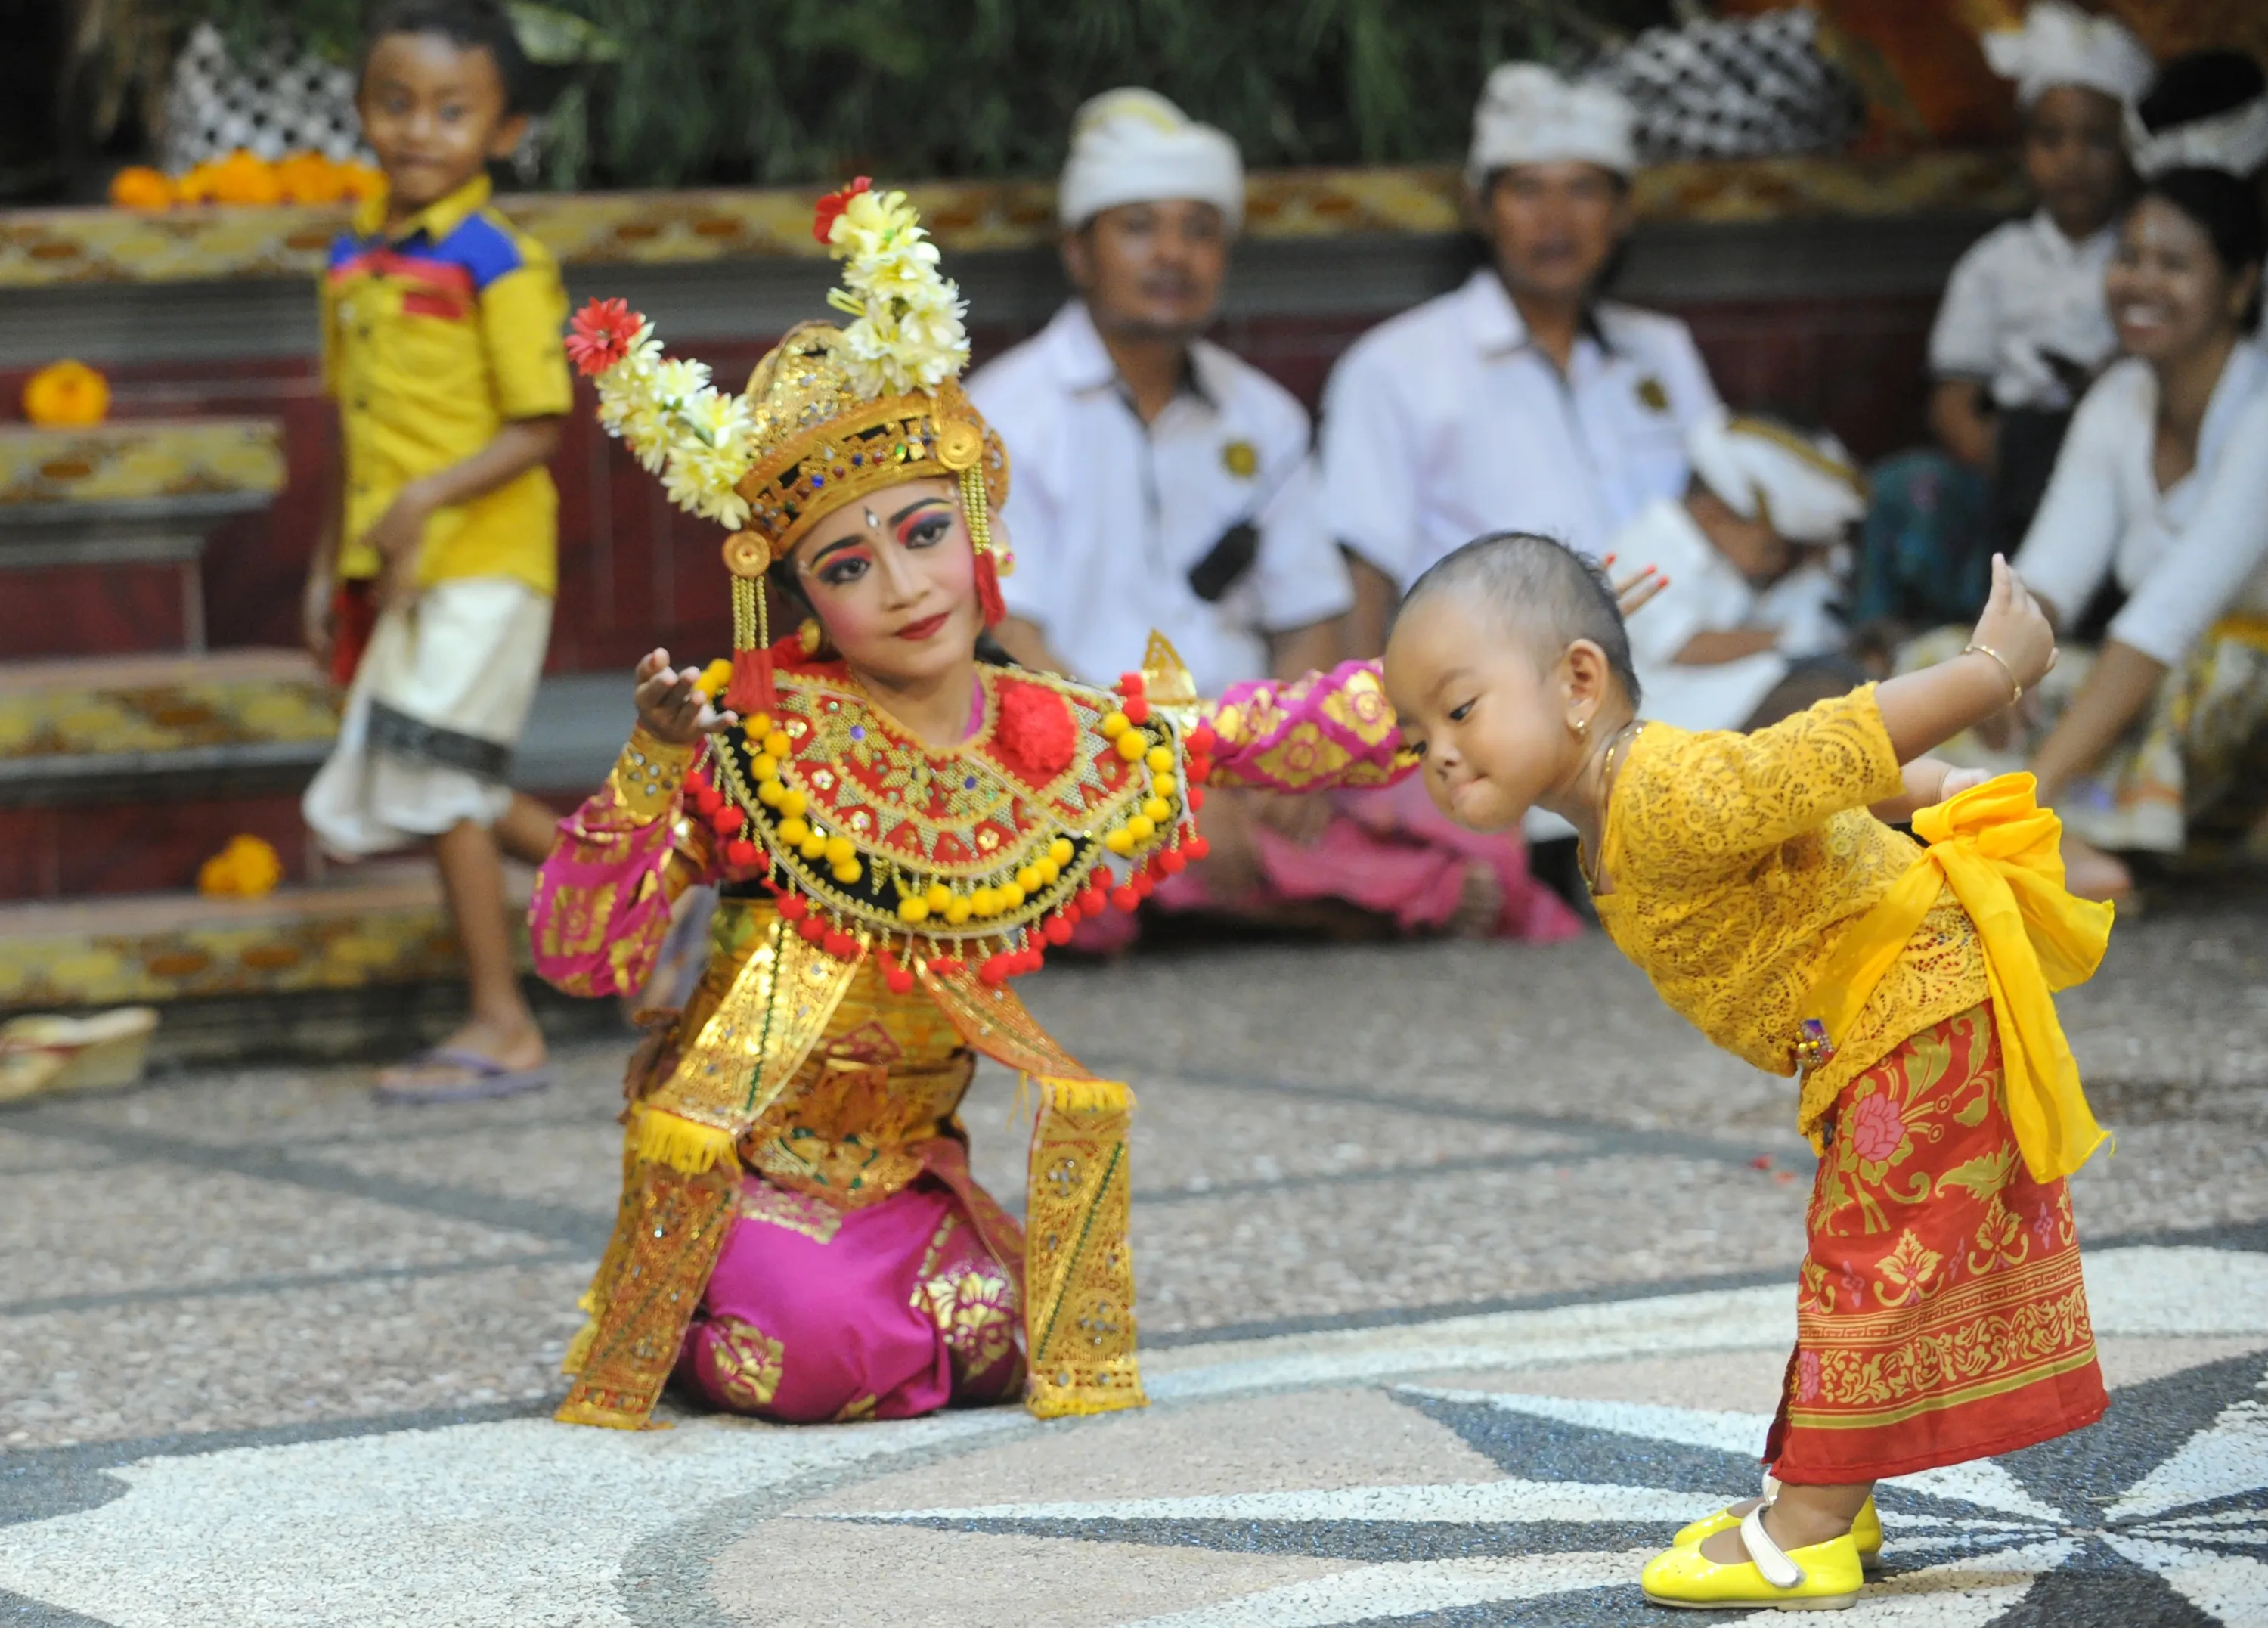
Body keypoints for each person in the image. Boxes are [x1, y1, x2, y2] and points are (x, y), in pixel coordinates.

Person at [531, 183, 1416, 1430]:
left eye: (923, 532)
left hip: (911, 1180)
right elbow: (582, 955)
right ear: (802, 600)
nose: (901, 585)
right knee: (838, 1348)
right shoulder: (756, 746)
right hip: (749, 1172)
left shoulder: (1045, 734)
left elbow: (1248, 732)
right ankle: (701, 1282)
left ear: (980, 527)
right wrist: (647, 767)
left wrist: (1467, 684)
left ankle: (848, 1297)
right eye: (847, 564)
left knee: (1017, 1325)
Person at [1383, 533, 2111, 1610]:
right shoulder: (1638, 795)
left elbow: (1814, 753)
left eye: (1459, 709)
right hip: (1883, 1028)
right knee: (1861, 1261)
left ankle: (1813, 1525)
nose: (1437, 751)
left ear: (1580, 683)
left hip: (1914, 1013)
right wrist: (1935, 778)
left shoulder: (1661, 792)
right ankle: (1833, 1486)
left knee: (1868, 1263)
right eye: (1417, 733)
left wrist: (1990, 672)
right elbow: (1787, 792)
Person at [971, 88, 1574, 943]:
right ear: (1079, 251)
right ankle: (1325, 902)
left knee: (1457, 782)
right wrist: (1161, 781)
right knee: (1043, 834)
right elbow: (1011, 645)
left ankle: (1260, 892)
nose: (1172, 254)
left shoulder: (1266, 418)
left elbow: (1311, 623)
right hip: (1084, 750)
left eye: (1200, 230)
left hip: (1245, 749)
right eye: (1139, 227)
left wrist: (1285, 767)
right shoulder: (1001, 416)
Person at [299, 0, 572, 1102]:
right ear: (363, 110)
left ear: (502, 134)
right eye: (396, 103)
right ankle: (656, 902)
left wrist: (420, 506)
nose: (420, 131)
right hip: (400, 564)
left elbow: (541, 421)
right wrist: (332, 560)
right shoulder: (352, 257)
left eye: (453, 112)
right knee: (437, 769)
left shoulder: (496, 257)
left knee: (441, 780)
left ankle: (504, 1024)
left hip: (488, 556)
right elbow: (349, 428)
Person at [1930, 166, 2264, 904]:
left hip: (2226, 693)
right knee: (1939, 662)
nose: (2140, 283)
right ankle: (2080, 843)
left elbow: (2167, 619)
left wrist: (2034, 791)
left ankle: (2020, 825)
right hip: (2147, 672)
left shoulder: (2262, 411)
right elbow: (2048, 576)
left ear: (2241, 287)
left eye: (2173, 265)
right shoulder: (2119, 399)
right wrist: (1997, 665)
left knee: (2222, 674)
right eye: (2130, 258)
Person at [1322, 63, 1722, 659]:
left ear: (1622, 212)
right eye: (1526, 190)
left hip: (1689, 665)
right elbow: (1363, 578)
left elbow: (1731, 515)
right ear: (1481, 209)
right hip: (1503, 698)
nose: (1555, 218)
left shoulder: (1662, 349)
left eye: (1583, 190)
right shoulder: (1393, 366)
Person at [1854, 1, 2150, 631]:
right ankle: (1896, 640)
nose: (2072, 160)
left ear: (2130, 150)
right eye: (2051, 139)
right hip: (2009, 458)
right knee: (1911, 485)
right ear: (2024, 150)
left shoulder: (2149, 256)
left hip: (2125, 454)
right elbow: (1953, 401)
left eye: (2097, 140)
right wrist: (2015, 466)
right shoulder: (1994, 264)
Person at [1614, 407, 1868, 733]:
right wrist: (1782, 638)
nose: (1776, 563)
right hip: (1675, 719)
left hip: (1727, 698)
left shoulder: (1720, 552)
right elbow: (1684, 646)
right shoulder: (1645, 546)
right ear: (1717, 514)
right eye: (1772, 548)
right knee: (1828, 698)